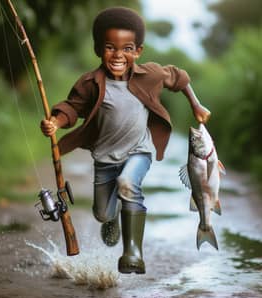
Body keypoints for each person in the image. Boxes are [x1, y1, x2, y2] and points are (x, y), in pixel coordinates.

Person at [40, 7, 210, 274]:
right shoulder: (90, 83)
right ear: (98, 49)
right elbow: (72, 108)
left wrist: (196, 104)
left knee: (128, 183)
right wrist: (56, 122)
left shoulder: (150, 75)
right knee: (102, 213)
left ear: (138, 51)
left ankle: (133, 252)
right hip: (105, 157)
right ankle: (113, 218)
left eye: (127, 48)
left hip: (138, 152)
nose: (118, 55)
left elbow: (179, 77)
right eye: (110, 47)